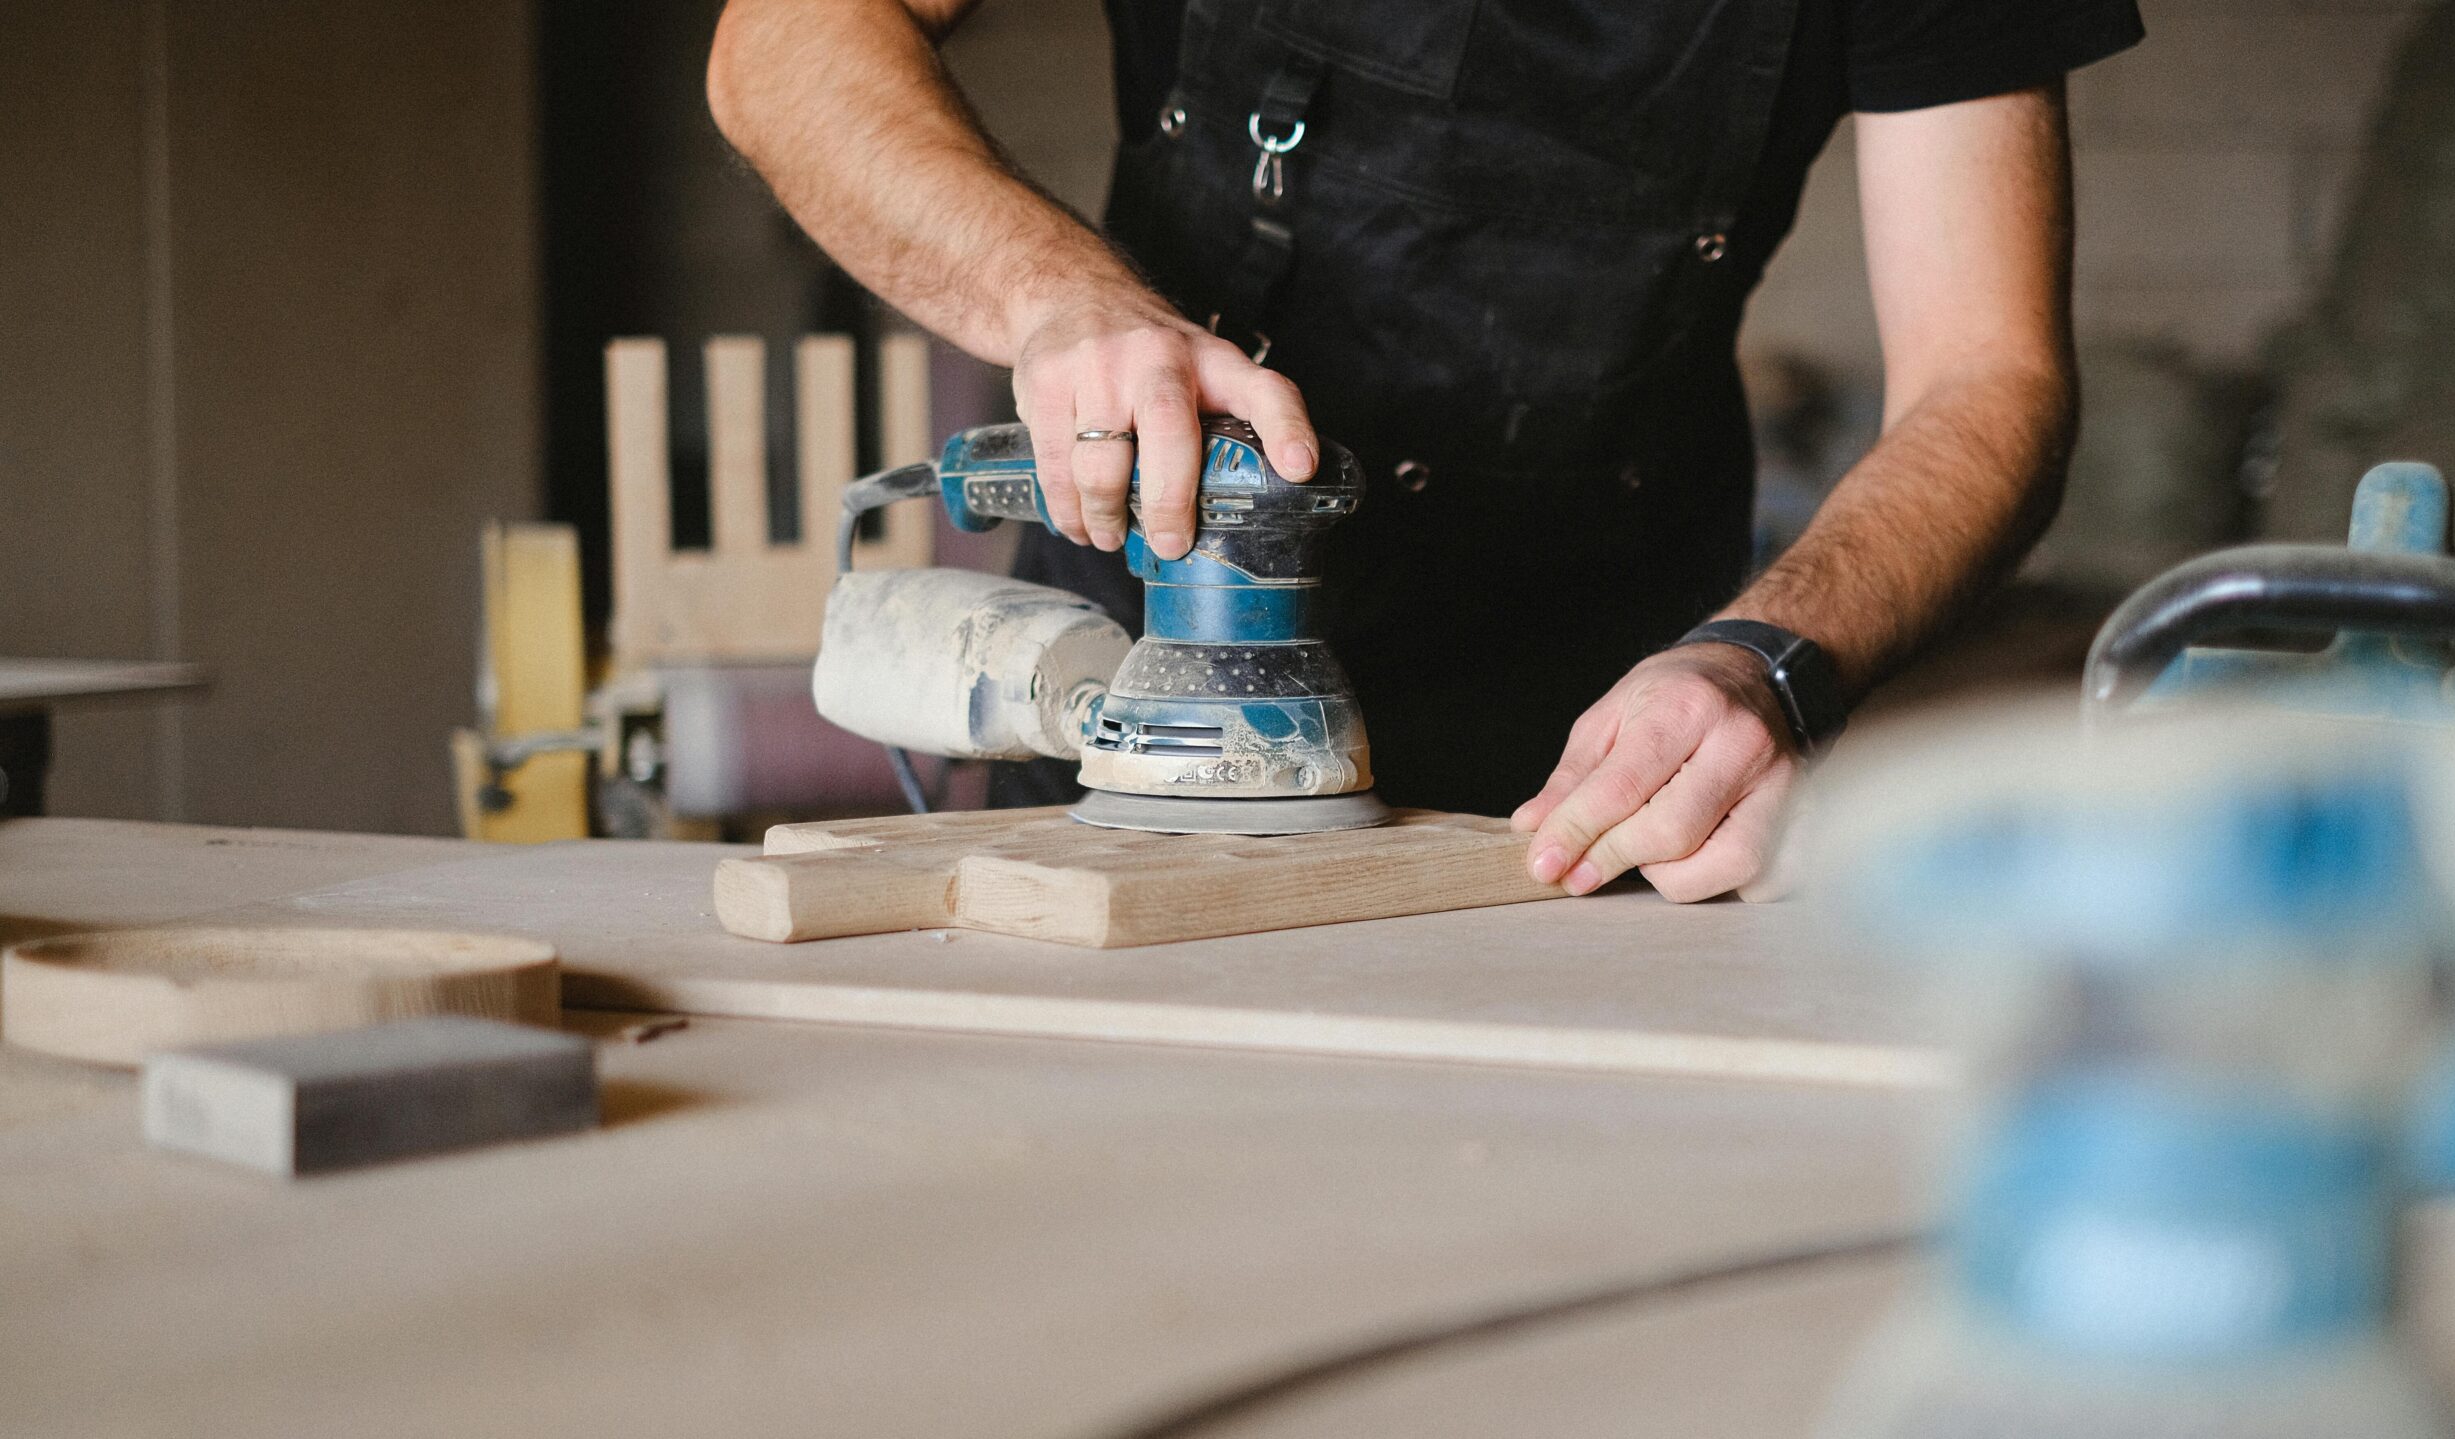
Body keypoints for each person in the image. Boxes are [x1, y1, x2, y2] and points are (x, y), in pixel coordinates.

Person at [708, 0, 2141, 900]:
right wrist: (1056, 299)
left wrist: (1766, 661)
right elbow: (782, 40)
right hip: (1146, 693)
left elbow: (1990, 376)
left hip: (1593, 759)